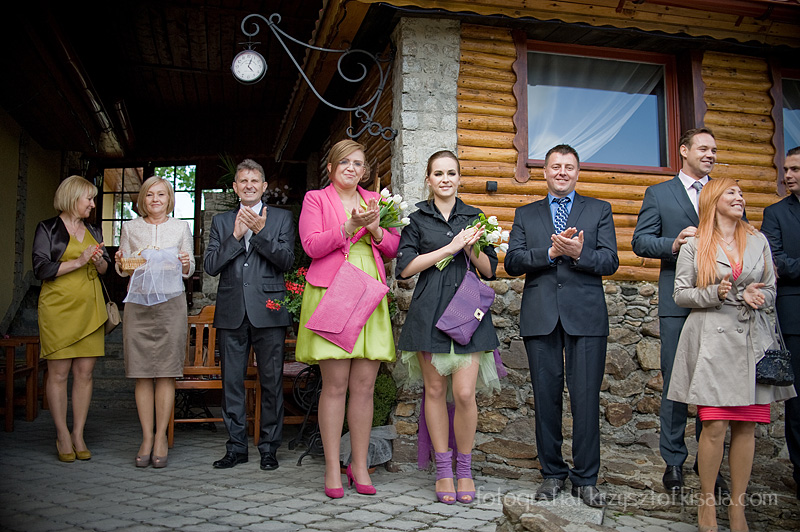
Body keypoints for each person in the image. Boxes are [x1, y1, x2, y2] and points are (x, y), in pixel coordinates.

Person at [667, 177, 795, 532]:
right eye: (731, 192)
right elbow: (680, 294)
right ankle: (706, 505)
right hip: (712, 341)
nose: (739, 197)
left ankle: (737, 509)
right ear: (713, 199)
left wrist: (759, 296)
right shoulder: (696, 243)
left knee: (746, 426)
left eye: (741, 192)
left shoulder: (758, 240)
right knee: (714, 425)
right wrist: (715, 292)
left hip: (751, 342)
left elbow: (771, 288)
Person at [504, 144, 618, 508]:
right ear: (546, 172)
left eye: (569, 167)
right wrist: (551, 254)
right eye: (556, 166)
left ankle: (586, 479)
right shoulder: (526, 214)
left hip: (585, 317)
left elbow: (611, 260)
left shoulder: (599, 210)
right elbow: (513, 261)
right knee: (546, 399)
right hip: (541, 317)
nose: (562, 172)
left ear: (577, 172)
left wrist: (579, 254)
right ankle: (552, 473)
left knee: (585, 399)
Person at [295, 139, 400, 498]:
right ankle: (331, 468)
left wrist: (373, 228)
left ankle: (359, 465)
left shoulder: (376, 201)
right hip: (332, 291)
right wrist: (346, 227)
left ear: (364, 170)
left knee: (364, 387)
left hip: (368, 288)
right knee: (335, 385)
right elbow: (310, 245)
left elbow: (393, 248)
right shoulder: (316, 199)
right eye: (345, 163)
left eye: (358, 164)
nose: (352, 169)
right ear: (331, 168)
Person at [396, 150, 502, 504]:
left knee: (465, 394)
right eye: (438, 173)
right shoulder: (416, 220)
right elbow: (406, 268)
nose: (445, 179)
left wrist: (470, 248)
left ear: (459, 178)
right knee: (435, 392)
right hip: (429, 311)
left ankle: (464, 469)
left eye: (451, 173)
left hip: (467, 312)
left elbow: (489, 270)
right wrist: (451, 246)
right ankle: (443, 471)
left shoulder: (475, 217)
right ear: (428, 179)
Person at [631, 127, 729, 495]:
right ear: (684, 150)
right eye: (704, 148)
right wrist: (673, 242)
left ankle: (711, 461)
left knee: (712, 384)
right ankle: (673, 460)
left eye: (714, 150)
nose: (711, 154)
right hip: (677, 302)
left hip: (721, 303)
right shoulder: (659, 193)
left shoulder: (722, 192)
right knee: (676, 381)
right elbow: (640, 241)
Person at [204, 159, 295, 471]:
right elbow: (211, 265)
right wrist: (235, 235)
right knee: (231, 383)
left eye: (255, 180)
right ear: (235, 187)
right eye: (243, 181)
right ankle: (236, 448)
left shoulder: (281, 218)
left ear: (264, 186)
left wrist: (258, 233)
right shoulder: (220, 221)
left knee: (271, 382)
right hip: (231, 312)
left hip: (269, 312)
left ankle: (269, 448)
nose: (249, 185)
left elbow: (285, 260)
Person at [114, 176, 195, 468]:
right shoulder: (130, 227)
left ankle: (161, 436)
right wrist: (124, 261)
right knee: (141, 371)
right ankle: (146, 436)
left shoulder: (181, 227)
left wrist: (185, 262)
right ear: (143, 199)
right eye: (150, 195)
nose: (156, 199)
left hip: (171, 304)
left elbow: (189, 268)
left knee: (166, 372)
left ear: (169, 198)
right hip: (138, 304)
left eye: (161, 194)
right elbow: (126, 270)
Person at [32, 175, 111, 462]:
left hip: (90, 308)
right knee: (59, 374)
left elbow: (104, 270)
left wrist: (99, 260)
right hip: (58, 309)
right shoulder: (48, 228)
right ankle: (62, 434)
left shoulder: (93, 228)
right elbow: (41, 269)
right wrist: (78, 261)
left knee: (85, 373)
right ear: (71, 198)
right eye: (88, 198)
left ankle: (78, 433)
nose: (92, 204)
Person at [761, 146, 800, 500]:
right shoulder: (775, 213)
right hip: (794, 318)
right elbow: (777, 262)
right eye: (786, 169)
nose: (787, 175)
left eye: (795, 170)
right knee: (798, 404)